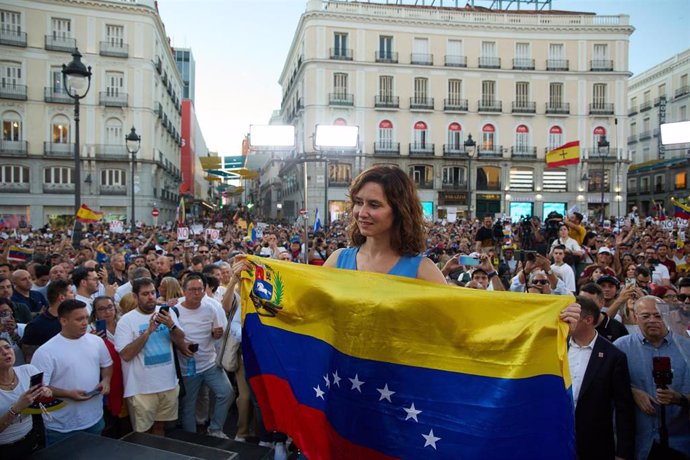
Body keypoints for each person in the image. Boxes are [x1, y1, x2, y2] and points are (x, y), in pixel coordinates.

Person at [323, 165, 446, 283]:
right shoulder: (336, 261)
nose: (362, 213)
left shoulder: (424, 271)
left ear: (399, 210)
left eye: (374, 205)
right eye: (359, 202)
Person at [614, 296, 690, 459]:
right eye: (645, 316)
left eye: (657, 315)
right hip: (638, 444)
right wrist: (631, 391)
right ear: (635, 317)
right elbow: (605, 388)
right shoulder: (620, 348)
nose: (652, 321)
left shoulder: (686, 349)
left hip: (680, 444)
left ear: (667, 315)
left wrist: (679, 398)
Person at [30, 299, 113, 446]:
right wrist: (68, 394)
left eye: (86, 318)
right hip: (62, 427)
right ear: (63, 321)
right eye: (79, 319)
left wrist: (106, 381)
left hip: (95, 418)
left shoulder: (96, 341)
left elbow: (107, 365)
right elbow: (38, 389)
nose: (85, 323)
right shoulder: (45, 352)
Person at [114, 277, 189, 436]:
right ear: (135, 296)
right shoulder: (126, 321)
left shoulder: (166, 313)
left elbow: (180, 339)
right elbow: (126, 355)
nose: (150, 297)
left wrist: (171, 325)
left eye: (152, 292)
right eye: (145, 294)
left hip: (167, 384)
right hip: (141, 390)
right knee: (143, 433)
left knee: (160, 429)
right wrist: (147, 332)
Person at [568, 296, 635, 460]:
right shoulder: (556, 348)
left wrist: (623, 452)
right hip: (558, 437)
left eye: (571, 317)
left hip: (595, 444)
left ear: (588, 320)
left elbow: (623, 407)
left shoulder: (613, 356)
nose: (565, 321)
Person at [175, 274, 232, 438]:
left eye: (200, 289)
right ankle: (190, 439)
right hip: (188, 368)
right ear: (184, 291)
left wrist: (216, 333)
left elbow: (218, 334)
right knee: (188, 406)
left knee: (226, 393)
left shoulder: (211, 308)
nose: (197, 293)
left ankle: (215, 430)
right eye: (192, 290)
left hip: (210, 363)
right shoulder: (176, 310)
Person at [0, 337, 52, 458]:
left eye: (7, 347)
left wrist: (45, 392)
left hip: (32, 440)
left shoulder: (29, 370)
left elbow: (42, 397)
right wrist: (16, 408)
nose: (5, 352)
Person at [21, 280, 74, 363]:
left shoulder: (73, 320)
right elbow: (30, 358)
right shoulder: (36, 326)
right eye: (71, 293)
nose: (75, 295)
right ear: (61, 297)